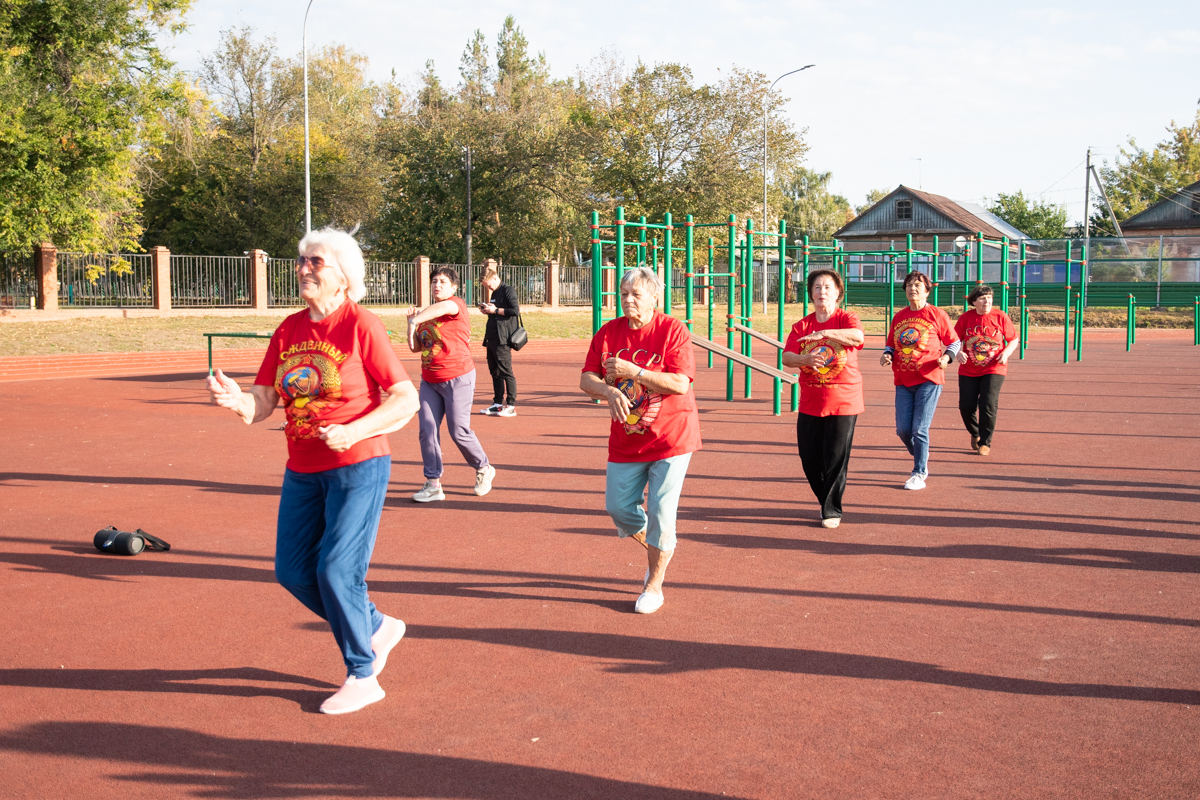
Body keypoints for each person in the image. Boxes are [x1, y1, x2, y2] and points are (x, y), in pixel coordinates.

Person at [206, 227, 420, 715]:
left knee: (337, 570)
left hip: (357, 465)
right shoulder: (288, 329)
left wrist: (356, 429)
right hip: (302, 468)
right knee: (294, 571)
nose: (304, 269)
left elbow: (405, 398)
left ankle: (363, 675)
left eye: (316, 262)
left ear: (343, 275)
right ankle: (375, 625)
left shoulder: (360, 325)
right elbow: (264, 400)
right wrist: (234, 399)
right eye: (302, 261)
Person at [579, 266, 701, 614]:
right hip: (626, 440)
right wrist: (605, 391)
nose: (628, 300)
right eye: (624, 294)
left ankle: (654, 584)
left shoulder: (672, 331)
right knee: (618, 509)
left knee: (662, 513)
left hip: (671, 438)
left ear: (654, 298)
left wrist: (637, 373)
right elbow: (587, 378)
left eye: (636, 294)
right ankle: (657, 545)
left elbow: (680, 383)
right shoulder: (608, 333)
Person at [782, 269, 865, 528]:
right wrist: (804, 359)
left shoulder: (847, 318)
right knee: (809, 457)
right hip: (811, 400)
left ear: (838, 293)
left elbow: (858, 337)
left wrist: (825, 334)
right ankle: (825, 499)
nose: (822, 292)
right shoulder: (802, 326)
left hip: (844, 398)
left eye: (828, 287)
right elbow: (787, 357)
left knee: (835, 457)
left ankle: (831, 510)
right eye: (817, 288)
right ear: (810, 294)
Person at [406, 266, 495, 503]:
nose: (437, 285)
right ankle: (433, 483)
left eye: (443, 282)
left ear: (453, 287)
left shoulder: (455, 304)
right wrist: (410, 324)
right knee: (427, 431)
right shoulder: (426, 316)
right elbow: (415, 347)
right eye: (434, 281)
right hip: (430, 380)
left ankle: (484, 468)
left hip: (458, 377)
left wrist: (417, 317)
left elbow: (445, 307)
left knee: (458, 431)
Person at [880, 271, 961, 490]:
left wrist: (946, 357)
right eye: (908, 285)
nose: (912, 288)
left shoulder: (936, 314)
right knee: (903, 430)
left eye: (917, 285)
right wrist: (887, 355)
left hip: (929, 377)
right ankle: (921, 456)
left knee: (919, 429)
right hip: (903, 380)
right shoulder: (899, 317)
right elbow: (891, 345)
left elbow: (954, 342)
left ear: (927, 290)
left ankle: (919, 472)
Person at [954, 284, 1019, 456]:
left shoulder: (1000, 316)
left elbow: (1013, 339)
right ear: (974, 301)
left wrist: (1006, 353)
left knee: (988, 403)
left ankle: (985, 442)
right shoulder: (965, 318)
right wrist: (958, 352)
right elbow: (953, 340)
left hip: (994, 366)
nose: (986, 302)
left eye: (989, 298)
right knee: (966, 406)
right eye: (982, 298)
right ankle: (975, 433)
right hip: (968, 369)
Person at [478, 268, 519, 417]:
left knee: (506, 371)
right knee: (495, 372)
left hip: (503, 338)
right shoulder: (495, 293)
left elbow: (515, 311)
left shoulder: (508, 290)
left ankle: (511, 405)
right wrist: (487, 310)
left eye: (489, 285)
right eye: (486, 287)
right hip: (492, 337)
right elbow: (495, 312)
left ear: (495, 278)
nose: (488, 289)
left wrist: (495, 310)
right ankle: (497, 403)